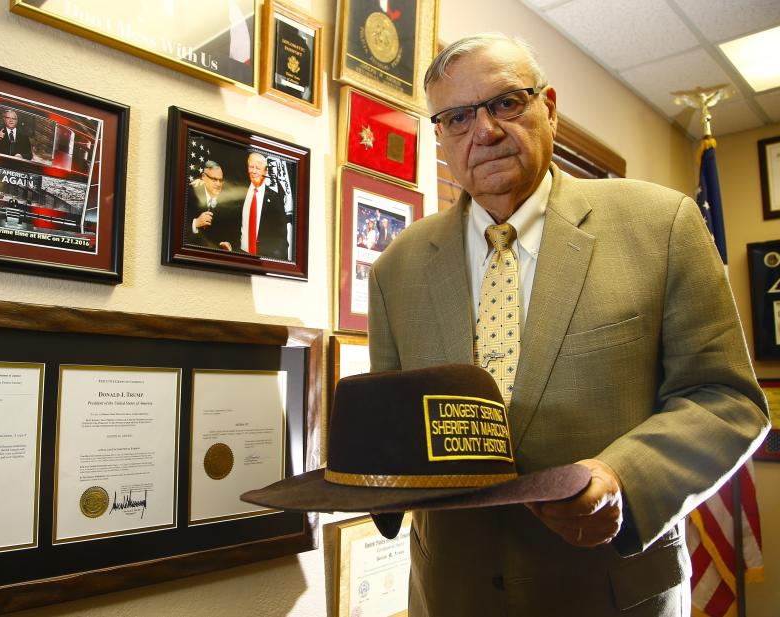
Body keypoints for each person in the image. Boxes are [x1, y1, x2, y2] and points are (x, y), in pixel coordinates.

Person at [367, 32, 769, 617]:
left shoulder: (661, 225)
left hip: (611, 592)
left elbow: (726, 400)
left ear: (548, 108)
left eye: (506, 103)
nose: (484, 130)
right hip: (451, 594)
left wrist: (622, 476)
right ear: (441, 136)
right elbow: (396, 424)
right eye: (457, 117)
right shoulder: (395, 269)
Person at [237, 152, 288, 260]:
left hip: (262, 261)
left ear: (266, 171)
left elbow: (282, 239)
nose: (253, 171)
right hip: (238, 255)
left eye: (258, 168)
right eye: (251, 167)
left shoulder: (275, 199)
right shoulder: (239, 192)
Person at [185, 160, 237, 251]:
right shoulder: (189, 195)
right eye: (214, 179)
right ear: (204, 177)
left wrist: (228, 244)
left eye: (220, 180)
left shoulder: (229, 201)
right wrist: (195, 223)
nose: (218, 184)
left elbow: (231, 232)